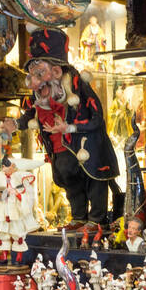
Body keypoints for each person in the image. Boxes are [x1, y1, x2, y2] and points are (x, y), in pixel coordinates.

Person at [19, 29, 118, 225]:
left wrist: (70, 128)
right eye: (33, 74)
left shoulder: (78, 87)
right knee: (70, 182)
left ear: (56, 71)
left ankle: (97, 219)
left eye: (39, 73)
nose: (35, 80)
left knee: (94, 181)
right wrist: (15, 124)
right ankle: (79, 217)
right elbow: (30, 113)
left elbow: (97, 119)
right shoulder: (41, 94)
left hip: (87, 148)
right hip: (61, 149)